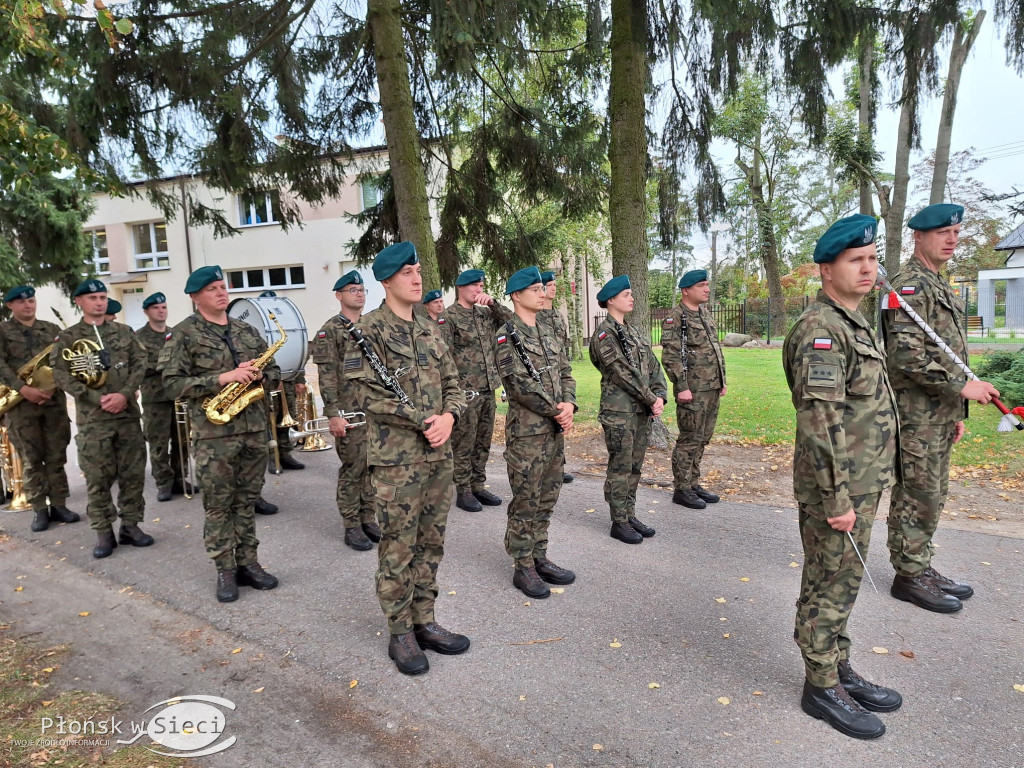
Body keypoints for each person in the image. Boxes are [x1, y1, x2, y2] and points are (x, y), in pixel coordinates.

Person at [783, 215, 903, 740]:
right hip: (838, 488)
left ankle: (837, 665)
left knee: (844, 582)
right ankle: (820, 685)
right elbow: (820, 423)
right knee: (828, 581)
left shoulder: (853, 321)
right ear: (826, 270)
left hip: (862, 480)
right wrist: (835, 498)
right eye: (856, 259)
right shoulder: (822, 331)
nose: (869, 268)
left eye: (873, 258)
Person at [343, 242, 468, 675]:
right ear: (387, 280)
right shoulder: (369, 330)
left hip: (439, 453)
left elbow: (454, 380)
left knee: (431, 542)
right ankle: (400, 632)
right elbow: (365, 392)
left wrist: (450, 417)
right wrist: (423, 419)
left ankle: (425, 621)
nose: (418, 278)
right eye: (408, 272)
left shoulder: (431, 328)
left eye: (419, 271)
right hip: (397, 461)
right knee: (399, 545)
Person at [882, 203, 1000, 613]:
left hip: (939, 413)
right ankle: (909, 576)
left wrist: (956, 411)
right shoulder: (907, 286)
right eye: (942, 233)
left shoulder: (937, 283)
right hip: (916, 413)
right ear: (919, 236)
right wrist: (961, 388)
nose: (952, 240)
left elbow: (947, 350)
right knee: (918, 493)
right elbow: (905, 357)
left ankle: (920, 564)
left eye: (956, 232)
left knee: (934, 493)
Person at [162, 266, 280, 603]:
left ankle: (249, 563)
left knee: (247, 500)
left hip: (254, 428)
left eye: (222, 286)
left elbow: (273, 371)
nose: (221, 292)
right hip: (215, 435)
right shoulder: (183, 334)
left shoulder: (246, 329)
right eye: (212, 288)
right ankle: (225, 569)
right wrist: (222, 378)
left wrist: (261, 377)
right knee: (218, 505)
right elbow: (171, 384)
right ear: (195, 297)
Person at [51, 280, 151, 559]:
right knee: (98, 478)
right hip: (93, 420)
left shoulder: (124, 332)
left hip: (127, 415)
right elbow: (60, 374)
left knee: (132, 474)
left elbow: (139, 364)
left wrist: (124, 394)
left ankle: (131, 526)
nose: (99, 302)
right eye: (93, 298)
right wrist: (95, 398)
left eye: (103, 297)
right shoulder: (68, 337)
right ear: (79, 302)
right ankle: (103, 531)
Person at [496, 266, 576, 599]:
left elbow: (566, 372)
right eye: (535, 289)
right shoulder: (506, 334)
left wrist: (569, 403)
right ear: (516, 295)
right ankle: (523, 564)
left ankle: (540, 554)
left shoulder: (548, 330)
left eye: (543, 289)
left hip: (554, 431)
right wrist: (556, 410)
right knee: (526, 499)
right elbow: (519, 385)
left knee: (548, 495)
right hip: (528, 434)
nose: (543, 293)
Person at [588, 275, 667, 544]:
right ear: (611, 300)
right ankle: (618, 521)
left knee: (635, 467)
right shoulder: (604, 334)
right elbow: (622, 372)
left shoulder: (633, 332)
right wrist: (650, 398)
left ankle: (629, 514)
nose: (632, 298)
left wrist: (660, 396)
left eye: (631, 294)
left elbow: (654, 367)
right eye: (626, 294)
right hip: (619, 412)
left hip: (640, 411)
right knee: (620, 467)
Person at [0, 285, 78, 532]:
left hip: (53, 403)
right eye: (22, 302)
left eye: (31, 301)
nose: (28, 305)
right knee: (32, 460)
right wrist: (23, 390)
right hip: (22, 405)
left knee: (56, 457)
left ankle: (59, 505)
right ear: (10, 305)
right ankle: (39, 511)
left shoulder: (51, 329)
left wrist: (53, 388)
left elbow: (63, 361)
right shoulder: (3, 330)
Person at [313, 270, 380, 551]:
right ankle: (351, 524)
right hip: (349, 412)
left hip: (375, 409)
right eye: (353, 290)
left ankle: (368, 517)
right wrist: (333, 414)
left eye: (362, 289)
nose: (360, 294)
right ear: (339, 296)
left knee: (372, 467)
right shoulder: (330, 331)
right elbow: (327, 376)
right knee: (353, 468)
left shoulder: (373, 325)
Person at [444, 269, 511, 513]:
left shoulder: (485, 314)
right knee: (464, 441)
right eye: (474, 286)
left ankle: (478, 484)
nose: (479, 290)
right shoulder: (448, 317)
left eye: (481, 286)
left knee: (483, 439)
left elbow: (511, 323)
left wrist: (493, 304)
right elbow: (444, 356)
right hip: (464, 391)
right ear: (461, 287)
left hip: (487, 387)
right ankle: (463, 491)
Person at [661, 269, 727, 509]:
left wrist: (722, 380)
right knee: (690, 438)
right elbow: (671, 355)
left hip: (711, 387)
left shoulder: (705, 314)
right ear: (686, 290)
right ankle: (681, 488)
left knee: (702, 438)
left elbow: (714, 349)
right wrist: (681, 386)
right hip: (693, 390)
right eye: (702, 285)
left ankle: (693, 482)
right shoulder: (676, 317)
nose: (707, 289)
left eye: (707, 285)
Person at [135, 292, 185, 501]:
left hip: (178, 395)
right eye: (156, 308)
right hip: (155, 398)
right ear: (147, 311)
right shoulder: (139, 337)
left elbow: (185, 361)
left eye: (163, 307)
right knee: (159, 442)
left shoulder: (175, 334)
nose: (161, 311)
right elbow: (139, 366)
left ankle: (180, 478)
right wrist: (166, 365)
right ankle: (163, 482)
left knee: (182, 440)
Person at [259, 290, 306, 472]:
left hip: (286, 379)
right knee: (268, 420)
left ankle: (286, 453)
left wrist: (299, 378)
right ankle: (272, 457)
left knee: (286, 418)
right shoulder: (256, 324)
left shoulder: (285, 322)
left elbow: (297, 349)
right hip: (266, 381)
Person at [538, 270, 574, 484]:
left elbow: (563, 345)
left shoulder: (557, 316)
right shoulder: (537, 315)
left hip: (560, 373)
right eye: (549, 284)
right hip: (544, 376)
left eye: (553, 284)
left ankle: (558, 465)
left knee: (561, 418)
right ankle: (545, 465)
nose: (553, 287)